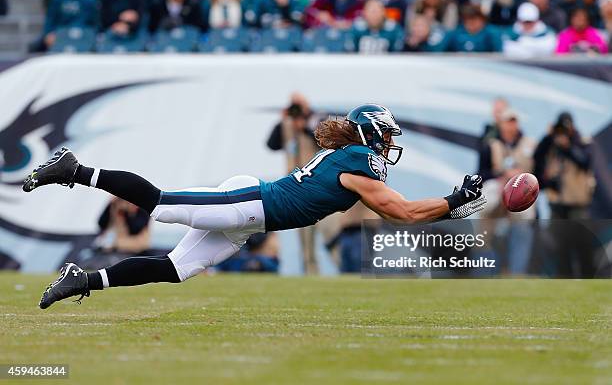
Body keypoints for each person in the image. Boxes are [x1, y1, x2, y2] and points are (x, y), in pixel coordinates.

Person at [25, 104, 486, 309]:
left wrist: (451, 204)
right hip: (253, 202)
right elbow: (401, 211)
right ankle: (74, 169)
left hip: (253, 218)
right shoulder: (358, 159)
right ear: (368, 133)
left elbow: (396, 211)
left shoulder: (354, 158)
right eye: (385, 134)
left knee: (176, 269)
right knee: (162, 205)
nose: (388, 144)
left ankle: (83, 279)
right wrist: (454, 200)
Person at [533, 112, 595, 277]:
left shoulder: (581, 140)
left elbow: (585, 161)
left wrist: (567, 147)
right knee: (560, 247)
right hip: (557, 204)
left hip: (578, 203)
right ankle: (564, 282)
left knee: (583, 245)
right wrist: (548, 137)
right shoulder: (550, 144)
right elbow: (536, 161)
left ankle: (589, 280)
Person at [266, 93, 320, 274]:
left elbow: (324, 142)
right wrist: (282, 121)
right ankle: (311, 274)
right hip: (297, 187)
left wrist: (305, 124)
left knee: (331, 236)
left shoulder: (316, 120)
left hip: (318, 184)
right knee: (305, 237)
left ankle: (344, 275)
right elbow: (271, 145)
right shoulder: (287, 126)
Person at [478, 109, 536, 275]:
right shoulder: (491, 145)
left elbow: (539, 172)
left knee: (523, 227)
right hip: (497, 189)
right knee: (485, 226)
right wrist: (503, 174)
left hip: (522, 194)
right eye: (508, 121)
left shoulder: (530, 144)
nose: (511, 125)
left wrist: (521, 178)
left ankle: (517, 273)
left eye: (514, 121)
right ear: (501, 124)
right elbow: (480, 173)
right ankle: (484, 273)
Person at [35, 0, 100, 52]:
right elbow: (50, 19)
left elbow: (96, 25)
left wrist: (91, 37)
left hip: (83, 37)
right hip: (60, 35)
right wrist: (48, 34)